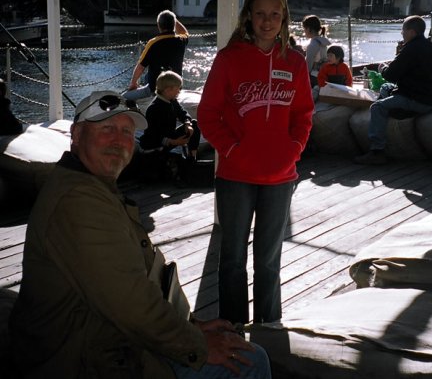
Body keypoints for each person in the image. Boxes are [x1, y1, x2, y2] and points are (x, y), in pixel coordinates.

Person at [9, 90, 271, 378]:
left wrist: (190, 325)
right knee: (250, 362)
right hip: (81, 356)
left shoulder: (90, 186)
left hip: (105, 333)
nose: (118, 140)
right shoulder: (78, 201)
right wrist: (196, 344)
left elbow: (130, 284)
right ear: (76, 134)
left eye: (126, 131)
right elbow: (128, 301)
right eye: (106, 128)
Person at [197, 0, 314, 325]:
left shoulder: (295, 62)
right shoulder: (228, 59)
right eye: (260, 14)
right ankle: (231, 329)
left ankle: (268, 329)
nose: (267, 21)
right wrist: (232, 149)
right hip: (235, 176)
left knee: (268, 260)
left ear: (284, 19)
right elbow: (207, 114)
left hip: (280, 177)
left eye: (274, 15)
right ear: (248, 16)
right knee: (232, 258)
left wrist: (293, 150)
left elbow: (304, 116)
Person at [354, 15, 432, 165]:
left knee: (377, 107)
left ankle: (377, 150)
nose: (402, 34)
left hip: (414, 99)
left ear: (411, 32)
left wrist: (383, 68)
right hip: (430, 99)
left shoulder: (410, 49)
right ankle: (386, 121)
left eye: (403, 31)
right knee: (386, 88)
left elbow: (391, 75)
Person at [139, 70, 201, 167]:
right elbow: (154, 135)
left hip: (168, 137)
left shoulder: (172, 101)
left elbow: (182, 113)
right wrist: (175, 142)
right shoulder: (154, 108)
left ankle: (192, 157)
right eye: (178, 89)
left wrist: (187, 123)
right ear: (168, 90)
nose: (179, 91)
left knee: (195, 124)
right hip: (155, 145)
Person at [124, 10, 189, 101]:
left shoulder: (153, 42)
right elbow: (184, 32)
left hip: (157, 89)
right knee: (147, 76)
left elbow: (140, 67)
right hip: (176, 86)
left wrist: (133, 84)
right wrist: (174, 20)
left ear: (159, 25)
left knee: (124, 97)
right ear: (173, 24)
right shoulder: (181, 40)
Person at [302, 14, 331, 87]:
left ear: (308, 29)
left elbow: (308, 67)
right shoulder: (323, 42)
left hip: (314, 78)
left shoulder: (312, 45)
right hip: (324, 75)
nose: (304, 31)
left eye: (304, 29)